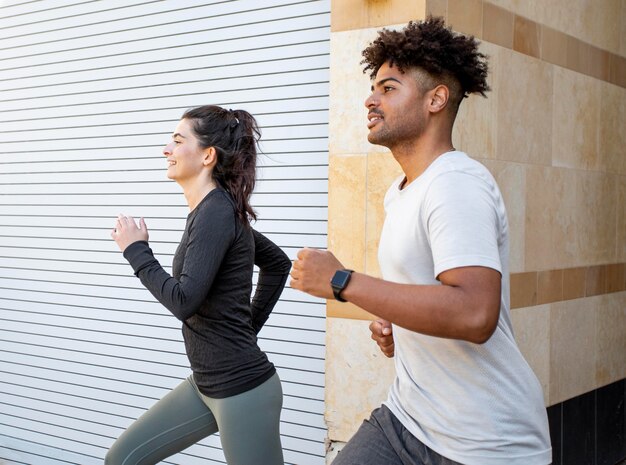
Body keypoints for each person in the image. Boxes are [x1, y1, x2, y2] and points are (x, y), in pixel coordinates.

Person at [290, 17, 551, 465]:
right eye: (373, 87)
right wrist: (403, 327)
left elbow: (473, 313)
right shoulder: (405, 190)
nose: (371, 100)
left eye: (388, 88)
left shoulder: (456, 183)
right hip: (408, 418)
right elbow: (435, 298)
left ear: (436, 99)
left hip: (484, 442)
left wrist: (341, 280)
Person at [107, 105, 290, 465]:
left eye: (177, 141)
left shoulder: (217, 211)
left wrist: (137, 252)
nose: (167, 150)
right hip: (205, 386)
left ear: (207, 155)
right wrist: (245, 329)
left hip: (242, 390)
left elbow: (184, 300)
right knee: (123, 459)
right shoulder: (215, 212)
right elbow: (277, 263)